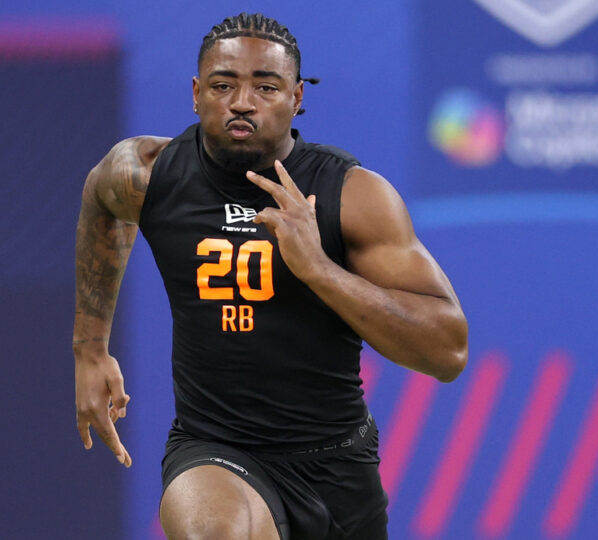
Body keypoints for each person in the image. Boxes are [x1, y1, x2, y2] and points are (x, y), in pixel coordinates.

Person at [72, 13, 468, 540]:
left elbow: (447, 351)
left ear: (297, 96)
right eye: (223, 84)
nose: (242, 101)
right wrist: (90, 350)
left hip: (337, 467)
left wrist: (319, 270)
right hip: (213, 450)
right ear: (195, 93)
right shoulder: (147, 174)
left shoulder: (351, 196)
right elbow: (101, 200)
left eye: (266, 86)